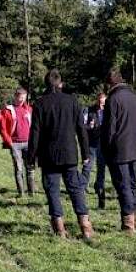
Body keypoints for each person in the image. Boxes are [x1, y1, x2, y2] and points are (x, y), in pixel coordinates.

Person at [28, 69, 93, 240]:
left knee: (53, 191)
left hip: (48, 155)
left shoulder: (40, 103)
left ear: (46, 84)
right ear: (60, 83)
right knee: (76, 189)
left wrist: (31, 158)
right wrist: (86, 153)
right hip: (69, 153)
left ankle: (60, 229)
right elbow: (81, 129)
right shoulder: (72, 101)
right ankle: (85, 226)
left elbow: (34, 133)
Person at [100, 70, 136, 234]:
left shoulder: (113, 100)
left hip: (117, 152)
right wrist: (135, 139)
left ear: (109, 84)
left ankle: (128, 225)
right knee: (133, 185)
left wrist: (105, 149)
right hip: (134, 149)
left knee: (123, 186)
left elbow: (109, 130)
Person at [0, 87, 35, 197]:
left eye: (24, 98)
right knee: (18, 168)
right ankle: (21, 193)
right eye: (20, 98)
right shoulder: (8, 110)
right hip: (15, 144)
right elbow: (3, 128)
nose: (21, 100)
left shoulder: (29, 109)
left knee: (30, 168)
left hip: (28, 143)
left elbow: (34, 126)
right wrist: (8, 142)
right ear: (15, 97)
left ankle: (31, 192)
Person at [81, 92, 109, 209]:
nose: (101, 104)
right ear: (97, 100)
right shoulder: (89, 110)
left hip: (103, 144)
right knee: (87, 167)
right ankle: (82, 188)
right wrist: (90, 126)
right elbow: (82, 125)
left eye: (103, 102)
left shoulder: (109, 111)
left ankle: (99, 189)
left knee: (101, 168)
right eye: (100, 101)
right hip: (91, 144)